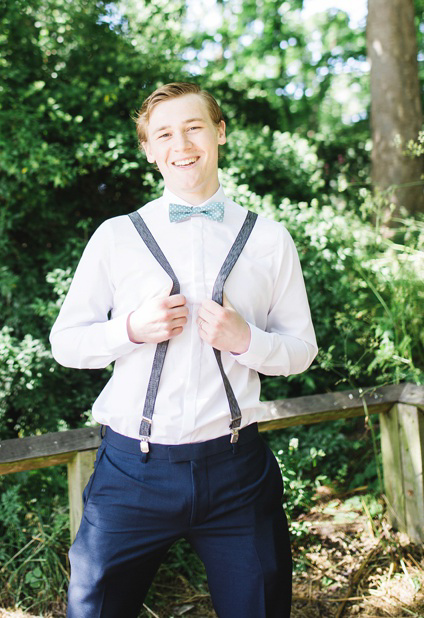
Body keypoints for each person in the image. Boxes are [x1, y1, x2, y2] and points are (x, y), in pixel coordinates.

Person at [50, 82, 317, 617]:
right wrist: (128, 329)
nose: (182, 144)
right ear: (149, 149)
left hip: (238, 471)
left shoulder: (269, 239)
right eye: (165, 133)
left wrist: (248, 341)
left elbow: (301, 350)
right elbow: (65, 344)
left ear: (219, 133)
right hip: (132, 472)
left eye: (194, 127)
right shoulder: (115, 237)